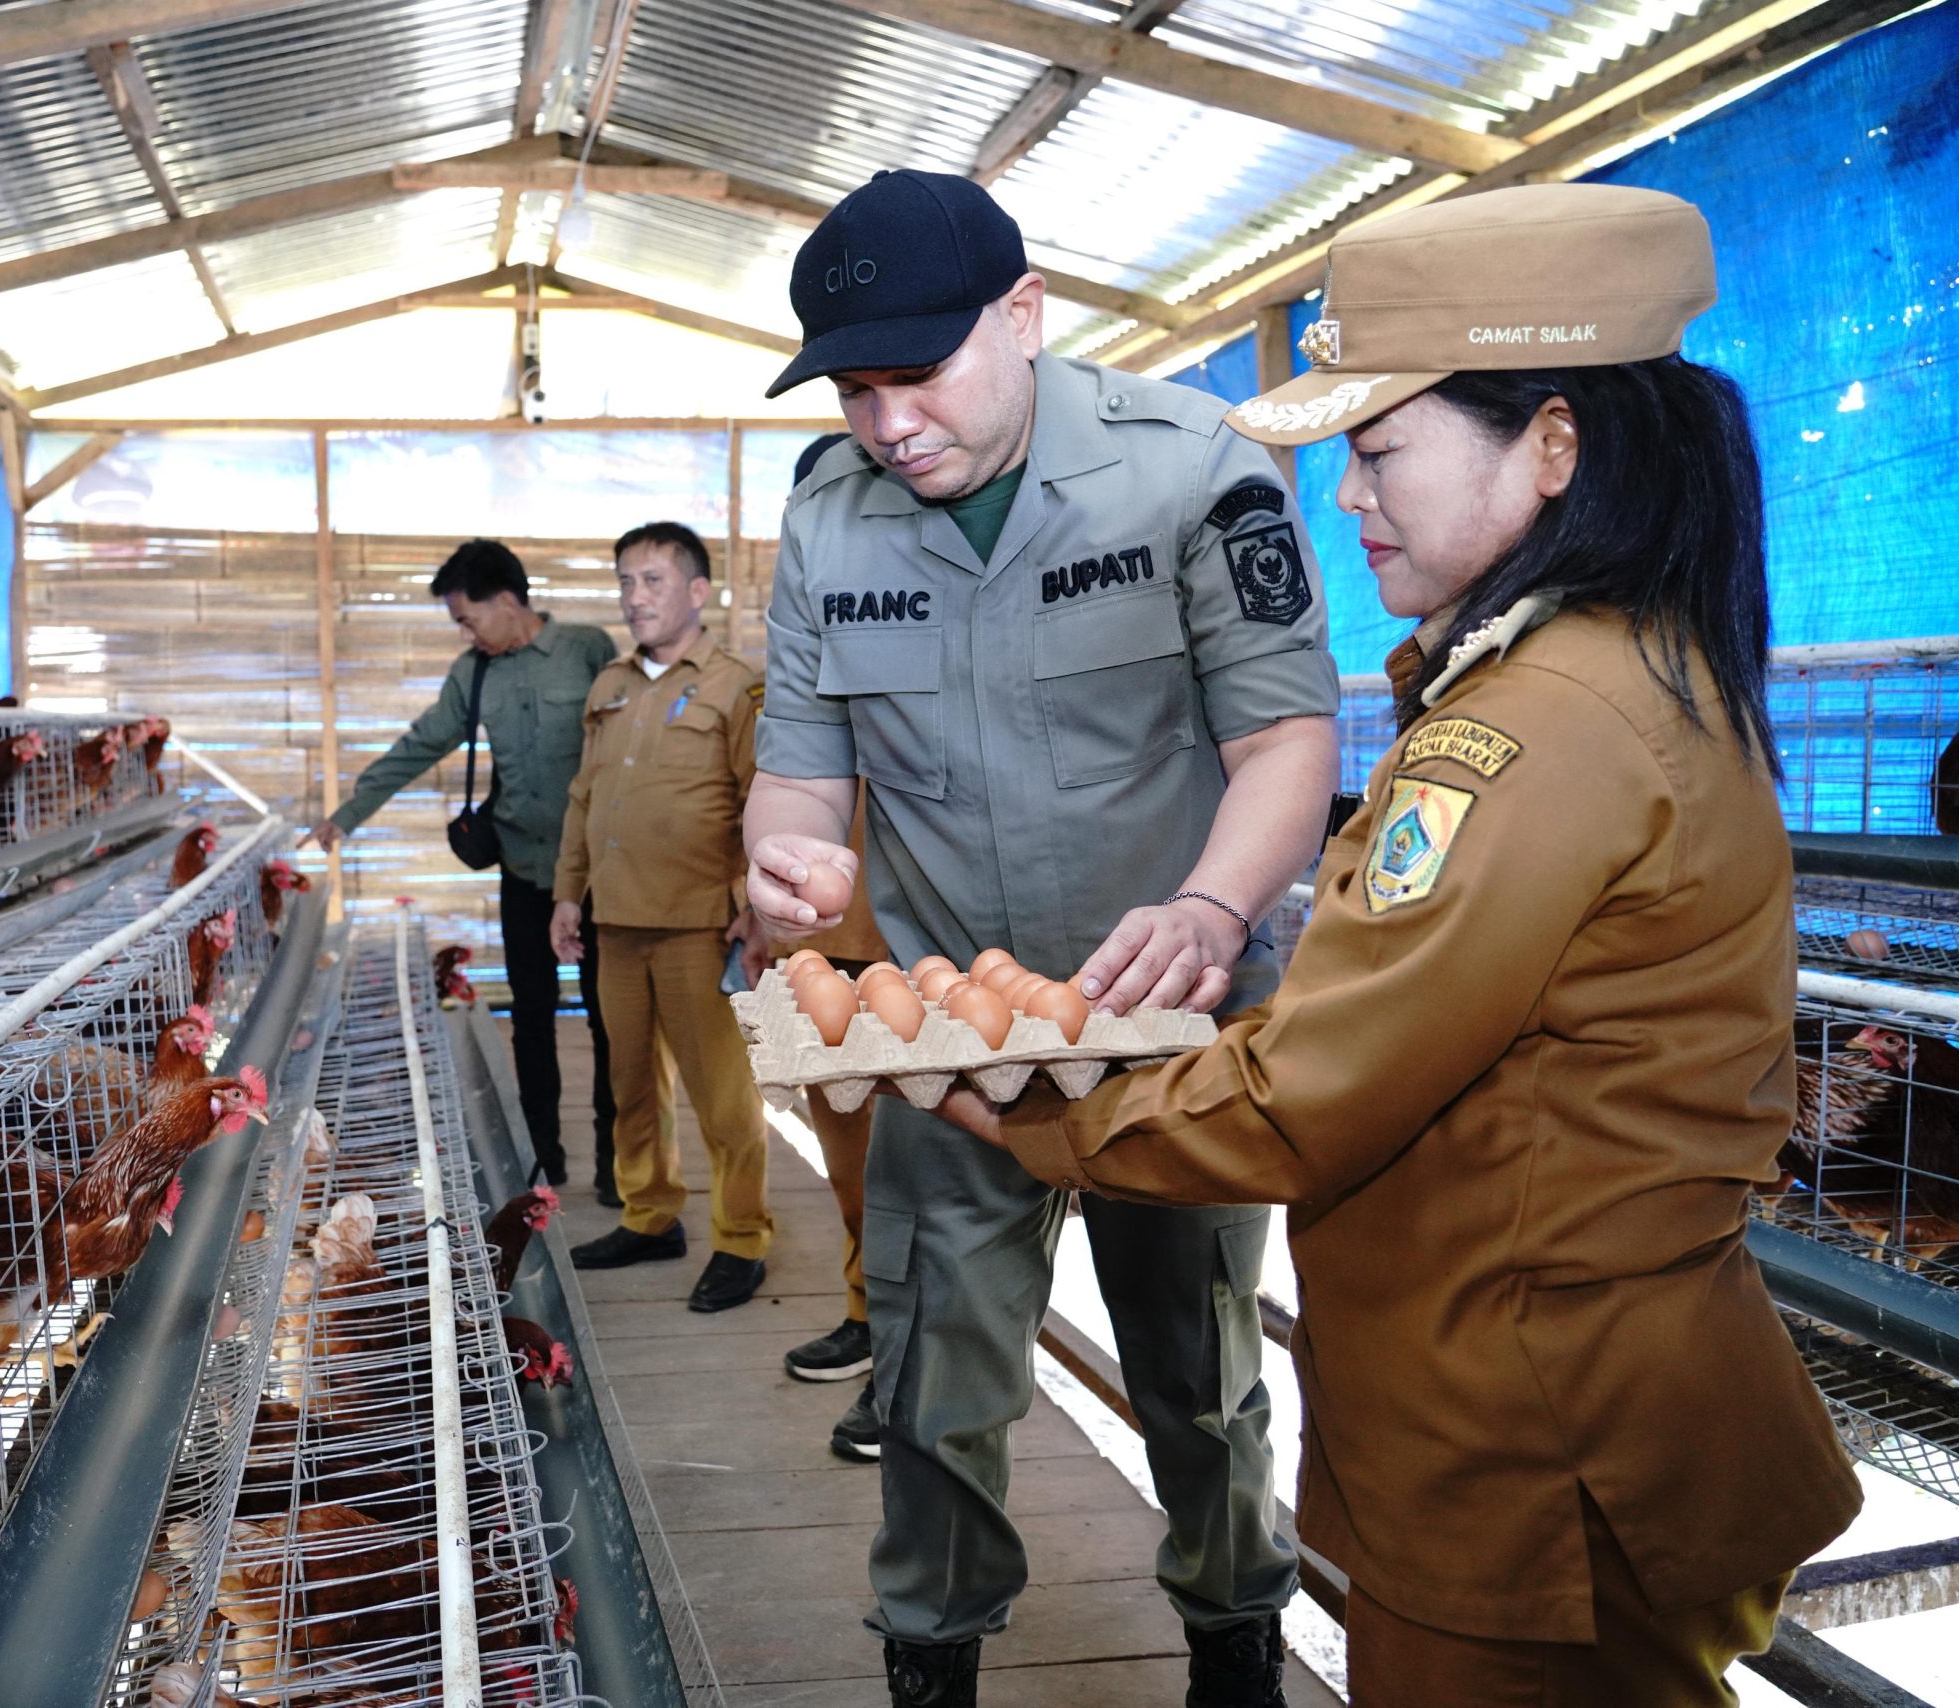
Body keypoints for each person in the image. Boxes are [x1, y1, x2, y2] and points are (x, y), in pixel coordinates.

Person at [937, 182, 1862, 1705]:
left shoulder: (1534, 727)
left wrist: (1044, 1104)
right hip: (1581, 1399)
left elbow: (1315, 1093)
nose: (1346, 501)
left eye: (1377, 453)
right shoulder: (1635, 669)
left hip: (1532, 1449)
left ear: (1554, 445)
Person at [744, 169, 1340, 1708]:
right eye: (856, 389)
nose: (887, 425)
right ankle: (931, 1659)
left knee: (1198, 1375)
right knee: (936, 1380)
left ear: (1025, 311)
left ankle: (1234, 1643)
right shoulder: (825, 518)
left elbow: (1286, 738)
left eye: (918, 374)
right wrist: (788, 872)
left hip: (1177, 1026)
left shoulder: (1191, 470)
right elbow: (799, 780)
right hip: (956, 1039)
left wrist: (1212, 910)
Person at [309, 538, 617, 1187]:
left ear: (507, 601)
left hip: (599, 875)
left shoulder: (588, 650)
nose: (464, 631)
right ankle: (545, 1157)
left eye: (466, 617)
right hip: (523, 872)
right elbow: (420, 744)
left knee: (610, 1018)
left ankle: (622, 1166)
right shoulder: (473, 673)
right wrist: (348, 814)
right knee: (531, 1019)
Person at [552, 522, 777, 1313]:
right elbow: (586, 798)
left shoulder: (734, 685)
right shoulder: (609, 685)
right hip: (616, 922)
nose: (635, 597)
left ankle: (742, 1237)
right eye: (625, 582)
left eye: (651, 581)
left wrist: (755, 905)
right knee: (629, 1083)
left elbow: (764, 802)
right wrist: (567, 894)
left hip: (697, 925)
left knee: (723, 1097)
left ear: (695, 592)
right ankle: (650, 1215)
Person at [775, 434, 900, 1465]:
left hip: (925, 951)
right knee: (853, 1166)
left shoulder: (953, 613)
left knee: (932, 1175)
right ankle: (870, 1317)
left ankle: (908, 1366)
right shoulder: (801, 639)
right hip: (829, 951)